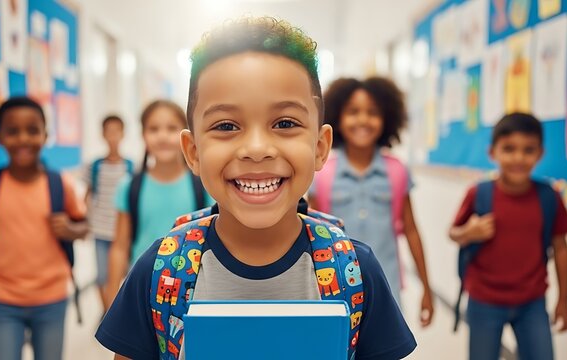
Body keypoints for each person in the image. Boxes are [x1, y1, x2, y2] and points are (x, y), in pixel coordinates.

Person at [96, 17, 416, 360]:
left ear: (320, 147)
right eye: (227, 125)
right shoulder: (161, 269)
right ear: (193, 152)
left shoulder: (354, 269)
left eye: (285, 123)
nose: (257, 148)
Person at [0, 97, 88, 360]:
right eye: (13, 131)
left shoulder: (60, 183)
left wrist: (72, 230)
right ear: (0, 138)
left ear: (45, 135)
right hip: (2, 300)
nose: (23, 139)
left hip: (51, 299)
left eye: (32, 130)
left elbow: (84, 226)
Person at [309, 77, 434, 327]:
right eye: (353, 112)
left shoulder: (397, 172)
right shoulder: (322, 174)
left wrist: (426, 288)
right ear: (337, 118)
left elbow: (411, 230)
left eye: (372, 112)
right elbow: (312, 236)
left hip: (387, 290)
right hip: (335, 291)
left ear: (387, 118)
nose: (363, 120)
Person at [449, 113, 567, 360]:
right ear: (492, 153)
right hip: (484, 300)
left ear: (540, 154)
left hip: (533, 302)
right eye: (509, 149)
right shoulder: (479, 193)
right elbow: (454, 233)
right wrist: (469, 232)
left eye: (528, 150)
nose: (518, 158)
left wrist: (563, 300)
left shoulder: (548, 197)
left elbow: (561, 248)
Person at [104, 100, 209, 306]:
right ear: (143, 135)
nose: (162, 136)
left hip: (194, 292)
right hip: (143, 292)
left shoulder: (204, 185)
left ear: (187, 135)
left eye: (171, 128)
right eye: (153, 129)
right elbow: (120, 246)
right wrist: (111, 302)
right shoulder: (129, 186)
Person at [83, 115, 134, 311]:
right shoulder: (94, 166)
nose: (113, 136)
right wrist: (87, 221)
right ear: (103, 134)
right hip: (100, 231)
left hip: (124, 232)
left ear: (123, 134)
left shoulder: (130, 166)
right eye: (108, 131)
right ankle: (108, 313)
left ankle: (119, 312)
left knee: (126, 274)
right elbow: (87, 196)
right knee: (102, 276)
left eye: (116, 131)